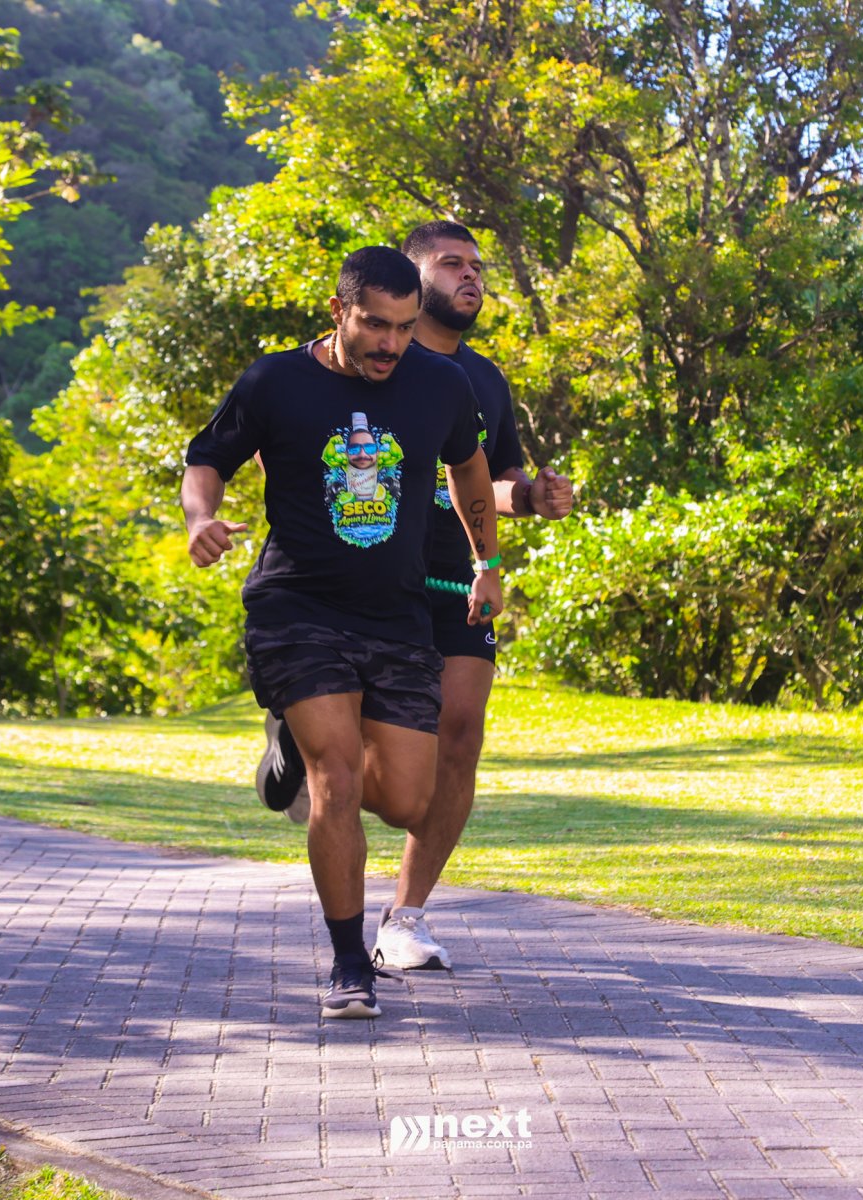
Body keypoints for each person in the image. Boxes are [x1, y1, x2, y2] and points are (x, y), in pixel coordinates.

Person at [182, 245, 503, 1020]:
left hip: (397, 615)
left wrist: (486, 563)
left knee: (406, 801)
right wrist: (200, 519)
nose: (391, 344)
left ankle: (293, 745)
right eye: (375, 326)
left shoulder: (440, 383)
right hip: (298, 607)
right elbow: (207, 458)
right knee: (338, 780)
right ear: (339, 312)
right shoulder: (275, 381)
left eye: (403, 327)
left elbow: (469, 468)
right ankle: (349, 963)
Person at [371, 220, 576, 970]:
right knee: (372, 751)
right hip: (371, 578)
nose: (470, 277)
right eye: (451, 263)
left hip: (459, 578)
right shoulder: (374, 358)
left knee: (460, 736)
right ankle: (303, 747)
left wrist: (534, 497)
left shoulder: (485, 380)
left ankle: (405, 918)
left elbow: (495, 481)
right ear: (412, 277)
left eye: (477, 267)